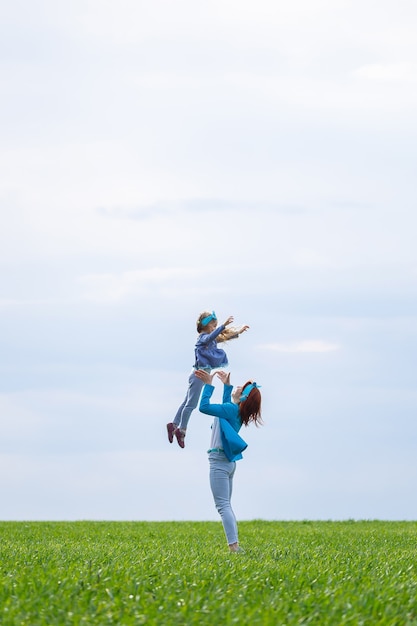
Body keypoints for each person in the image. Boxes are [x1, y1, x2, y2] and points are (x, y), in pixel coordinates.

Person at [195, 369, 262, 553]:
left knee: (222, 506)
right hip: (228, 463)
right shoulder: (235, 412)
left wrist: (209, 385)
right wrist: (227, 386)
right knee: (226, 505)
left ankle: (234, 547)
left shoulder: (232, 410)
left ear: (243, 398)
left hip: (218, 461)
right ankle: (235, 546)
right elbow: (226, 408)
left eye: (242, 388)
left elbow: (204, 407)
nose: (239, 387)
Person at [167, 311, 249, 448]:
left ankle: (173, 424)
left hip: (197, 374)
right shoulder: (202, 338)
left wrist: (239, 330)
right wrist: (223, 325)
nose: (214, 328)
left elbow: (224, 337)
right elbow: (211, 336)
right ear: (205, 325)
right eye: (213, 325)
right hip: (199, 375)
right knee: (191, 404)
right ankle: (181, 430)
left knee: (186, 402)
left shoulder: (209, 340)